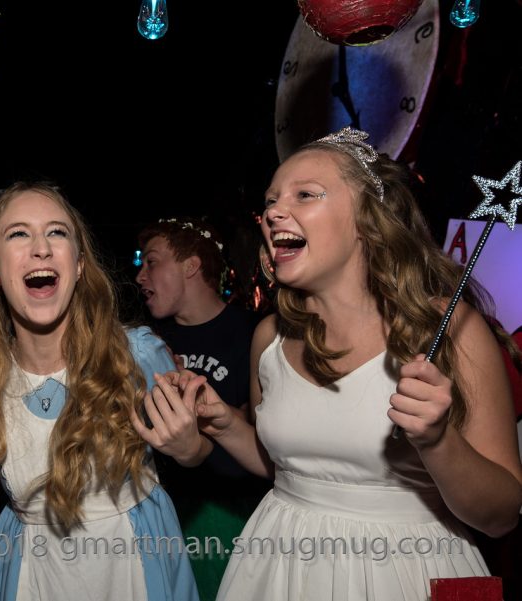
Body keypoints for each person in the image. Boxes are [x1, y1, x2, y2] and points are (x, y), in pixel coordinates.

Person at [153, 127, 522, 600]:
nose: (272, 212)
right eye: (270, 200)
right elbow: (289, 468)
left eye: (305, 194)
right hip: (279, 565)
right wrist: (224, 423)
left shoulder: (451, 332)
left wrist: (437, 440)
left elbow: (502, 515)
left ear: (368, 220)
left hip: (403, 573)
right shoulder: (269, 338)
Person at [0, 182, 200, 600]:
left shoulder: (137, 355)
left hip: (132, 561)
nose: (41, 248)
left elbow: (197, 452)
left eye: (57, 232)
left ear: (78, 265)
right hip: (32, 572)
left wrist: (188, 446)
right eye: (18, 233)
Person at [135, 217, 265, 600]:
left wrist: (195, 396)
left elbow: (266, 435)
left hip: (235, 518)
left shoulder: (254, 332)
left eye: (152, 262)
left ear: (191, 266)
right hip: (164, 515)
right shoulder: (146, 341)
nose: (141, 276)